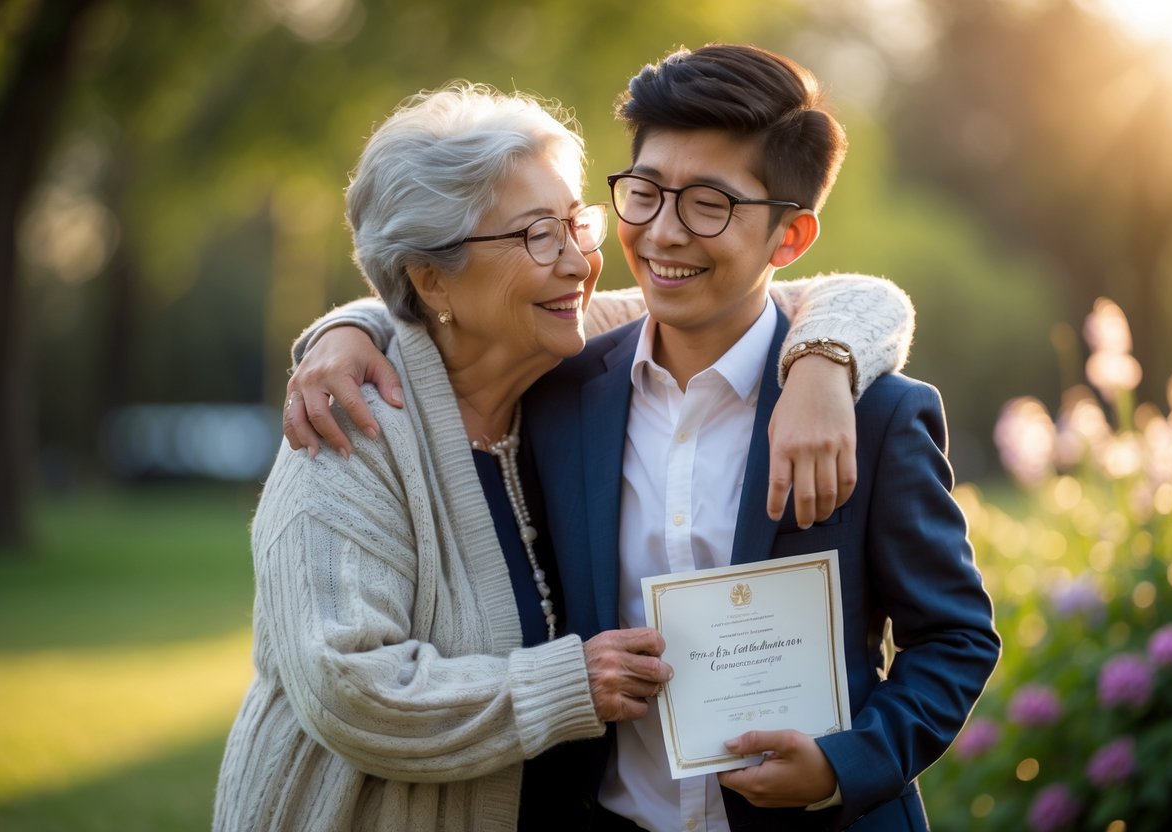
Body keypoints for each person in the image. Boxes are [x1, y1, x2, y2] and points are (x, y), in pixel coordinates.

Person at [288, 43, 999, 832]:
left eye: (708, 204)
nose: (662, 234)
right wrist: (348, 329)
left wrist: (847, 763)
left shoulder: (872, 415)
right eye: (644, 194)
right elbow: (452, 312)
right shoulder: (557, 393)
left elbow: (954, 637)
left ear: (789, 239)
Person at [213, 82, 682, 832]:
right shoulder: (348, 428)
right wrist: (568, 685)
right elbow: (352, 688)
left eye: (574, 224)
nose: (577, 264)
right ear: (432, 278)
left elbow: (809, 298)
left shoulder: (572, 342)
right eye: (537, 235)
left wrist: (824, 363)